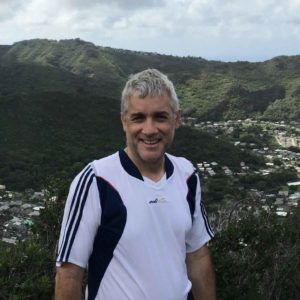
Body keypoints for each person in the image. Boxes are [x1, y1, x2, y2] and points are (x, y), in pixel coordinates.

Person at [55, 68, 215, 300]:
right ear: (124, 122)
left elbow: (197, 256)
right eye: (138, 118)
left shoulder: (187, 175)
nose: (149, 130)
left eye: (160, 117)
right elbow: (69, 274)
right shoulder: (97, 180)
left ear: (176, 119)